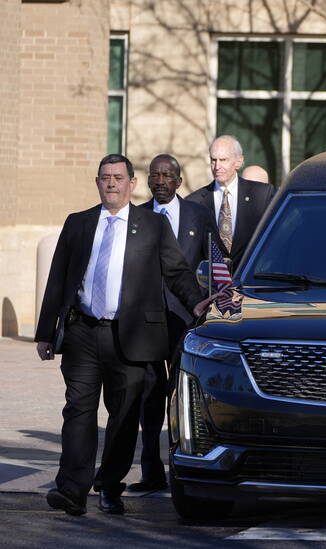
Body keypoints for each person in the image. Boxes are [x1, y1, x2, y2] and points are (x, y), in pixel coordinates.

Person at [35, 154, 216, 516]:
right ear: (98, 182)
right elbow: (58, 278)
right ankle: (71, 489)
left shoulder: (151, 225)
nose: (112, 183)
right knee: (78, 410)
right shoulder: (79, 223)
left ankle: (110, 485)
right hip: (84, 332)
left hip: (131, 336)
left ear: (132, 183)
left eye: (118, 177)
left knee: (124, 415)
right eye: (105, 178)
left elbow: (177, 271)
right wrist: (46, 332)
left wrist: (196, 303)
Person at [129, 154, 216, 492]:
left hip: (185, 322)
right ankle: (150, 471)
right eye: (155, 175)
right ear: (148, 181)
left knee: (181, 397)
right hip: (146, 324)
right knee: (148, 397)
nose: (161, 181)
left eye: (167, 175)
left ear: (179, 182)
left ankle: (182, 470)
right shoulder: (137, 218)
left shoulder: (198, 215)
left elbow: (216, 260)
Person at [187, 135, 275, 267]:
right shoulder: (194, 202)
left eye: (223, 160)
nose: (217, 166)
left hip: (251, 282)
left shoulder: (261, 195)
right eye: (213, 160)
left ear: (239, 162)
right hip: (211, 285)